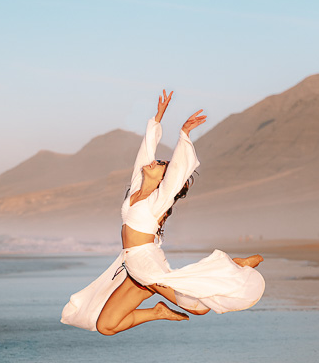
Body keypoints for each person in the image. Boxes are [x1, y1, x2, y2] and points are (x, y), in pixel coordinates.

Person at [61, 89, 265, 335]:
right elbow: (144, 153)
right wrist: (157, 118)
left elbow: (177, 173)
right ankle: (158, 312)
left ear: (163, 180)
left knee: (199, 308)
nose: (154, 162)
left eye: (160, 164)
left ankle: (233, 266)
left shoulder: (159, 200)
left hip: (146, 266)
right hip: (131, 266)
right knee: (106, 326)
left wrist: (184, 134)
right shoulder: (136, 191)